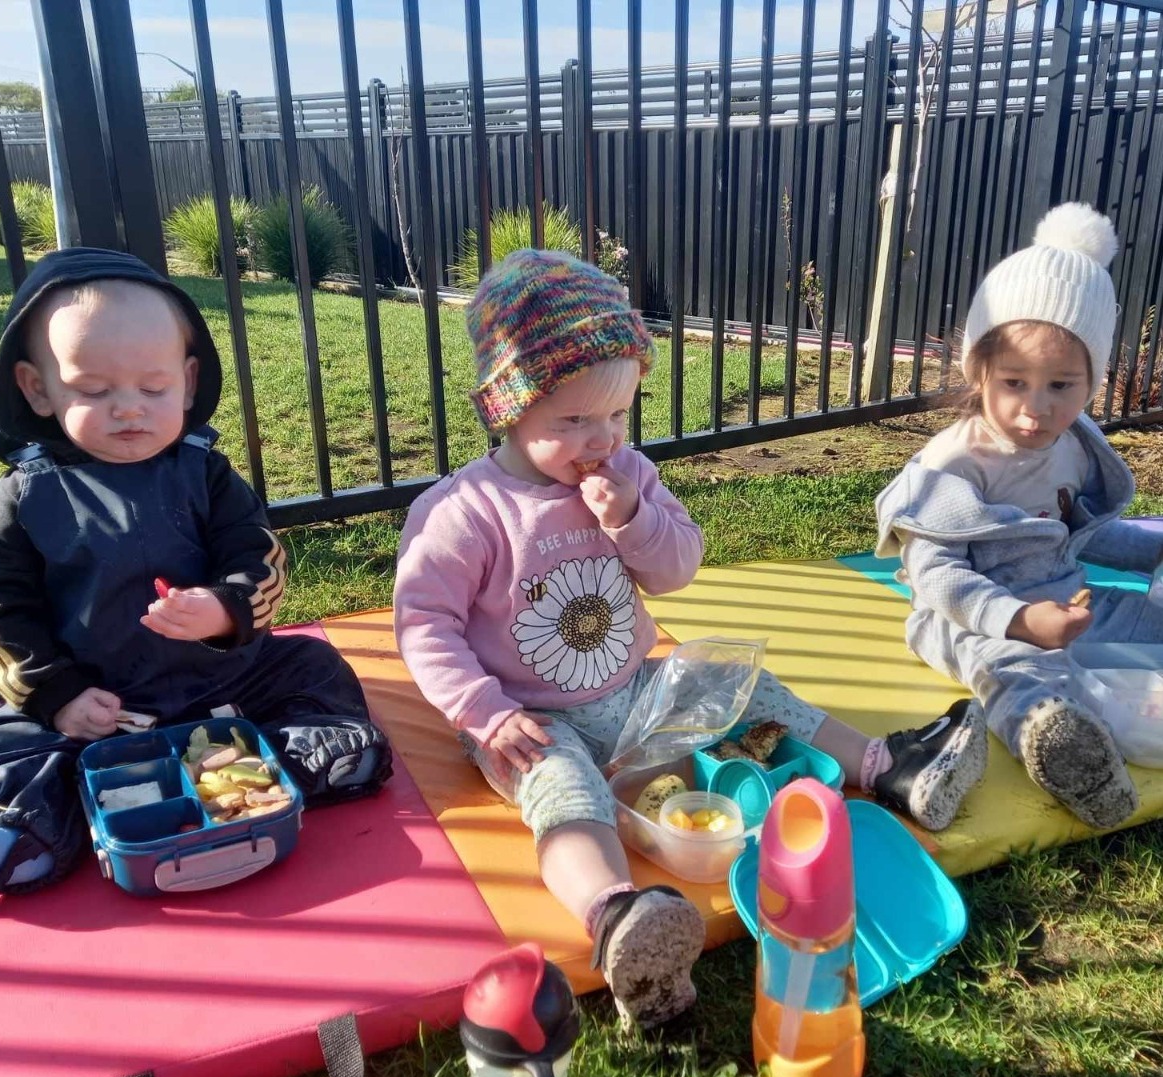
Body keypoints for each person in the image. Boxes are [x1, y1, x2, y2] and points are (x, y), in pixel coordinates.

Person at [395, 249, 988, 1029]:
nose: (598, 438)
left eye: (614, 415)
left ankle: (886, 767)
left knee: (743, 684)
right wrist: (483, 712)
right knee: (562, 795)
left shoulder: (627, 472)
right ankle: (617, 920)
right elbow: (423, 621)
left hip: (637, 682)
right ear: (508, 408)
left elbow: (677, 569)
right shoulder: (463, 511)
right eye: (570, 420)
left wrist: (629, 518)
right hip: (536, 715)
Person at [0, 247, 391, 900]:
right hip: (96, 703)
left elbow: (260, 558)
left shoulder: (205, 473)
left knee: (314, 665)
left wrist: (226, 609)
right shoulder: (24, 497)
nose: (129, 409)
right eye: (94, 390)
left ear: (188, 382)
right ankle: (22, 829)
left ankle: (310, 758)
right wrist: (58, 696)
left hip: (215, 679)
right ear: (38, 389)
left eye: (153, 387)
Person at [875, 203, 1163, 831]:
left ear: (1093, 378)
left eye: (1062, 385)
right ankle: (1058, 744)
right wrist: (1017, 619)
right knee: (1010, 667)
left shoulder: (1073, 446)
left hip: (1064, 596)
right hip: (969, 613)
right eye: (1013, 382)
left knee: (1147, 617)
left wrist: (1151, 551)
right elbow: (935, 573)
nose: (1036, 410)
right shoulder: (955, 463)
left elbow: (1078, 532)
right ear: (977, 371)